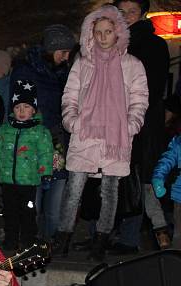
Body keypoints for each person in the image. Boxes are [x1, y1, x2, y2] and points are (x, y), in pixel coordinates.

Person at [53, 5, 149, 262]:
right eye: (98, 32)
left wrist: (131, 126)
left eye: (109, 31)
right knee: (73, 189)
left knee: (110, 190)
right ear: (90, 34)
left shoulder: (132, 65)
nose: (104, 36)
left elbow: (140, 99)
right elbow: (69, 95)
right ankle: (63, 238)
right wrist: (72, 121)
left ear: (118, 33)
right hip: (85, 134)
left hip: (116, 137)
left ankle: (101, 240)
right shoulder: (83, 64)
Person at [110, 0, 172, 253]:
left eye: (131, 12)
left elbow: (153, 88)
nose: (125, 17)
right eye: (121, 12)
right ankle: (116, 233)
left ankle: (134, 236)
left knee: (140, 179)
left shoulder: (154, 45)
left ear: (143, 14)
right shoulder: (111, 41)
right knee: (118, 178)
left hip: (142, 124)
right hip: (114, 121)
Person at [11, 24, 76, 239]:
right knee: (34, 200)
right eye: (63, 52)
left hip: (57, 140)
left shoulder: (63, 72)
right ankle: (33, 241)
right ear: (51, 49)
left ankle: (51, 243)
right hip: (33, 142)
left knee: (56, 200)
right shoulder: (26, 71)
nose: (66, 57)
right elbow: (18, 109)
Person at [0, 80, 54, 250]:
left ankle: (28, 240)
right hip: (8, 181)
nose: (21, 111)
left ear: (33, 109)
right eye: (17, 107)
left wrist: (46, 173)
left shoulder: (40, 132)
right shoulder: (4, 130)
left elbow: (45, 154)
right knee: (10, 212)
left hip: (29, 181)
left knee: (28, 212)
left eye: (26, 107)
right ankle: (10, 240)